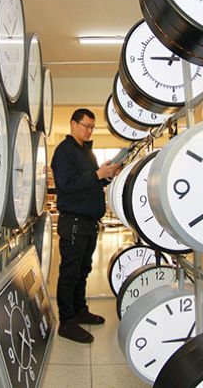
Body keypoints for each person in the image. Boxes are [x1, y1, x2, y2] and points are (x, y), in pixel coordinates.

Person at [50, 108, 120, 343]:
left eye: (92, 127)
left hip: (89, 223)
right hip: (74, 222)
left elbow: (91, 181)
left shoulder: (86, 152)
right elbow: (66, 184)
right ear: (73, 124)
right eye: (85, 125)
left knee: (83, 270)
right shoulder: (64, 151)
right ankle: (67, 322)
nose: (89, 130)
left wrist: (107, 174)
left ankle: (80, 310)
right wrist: (97, 174)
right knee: (70, 272)